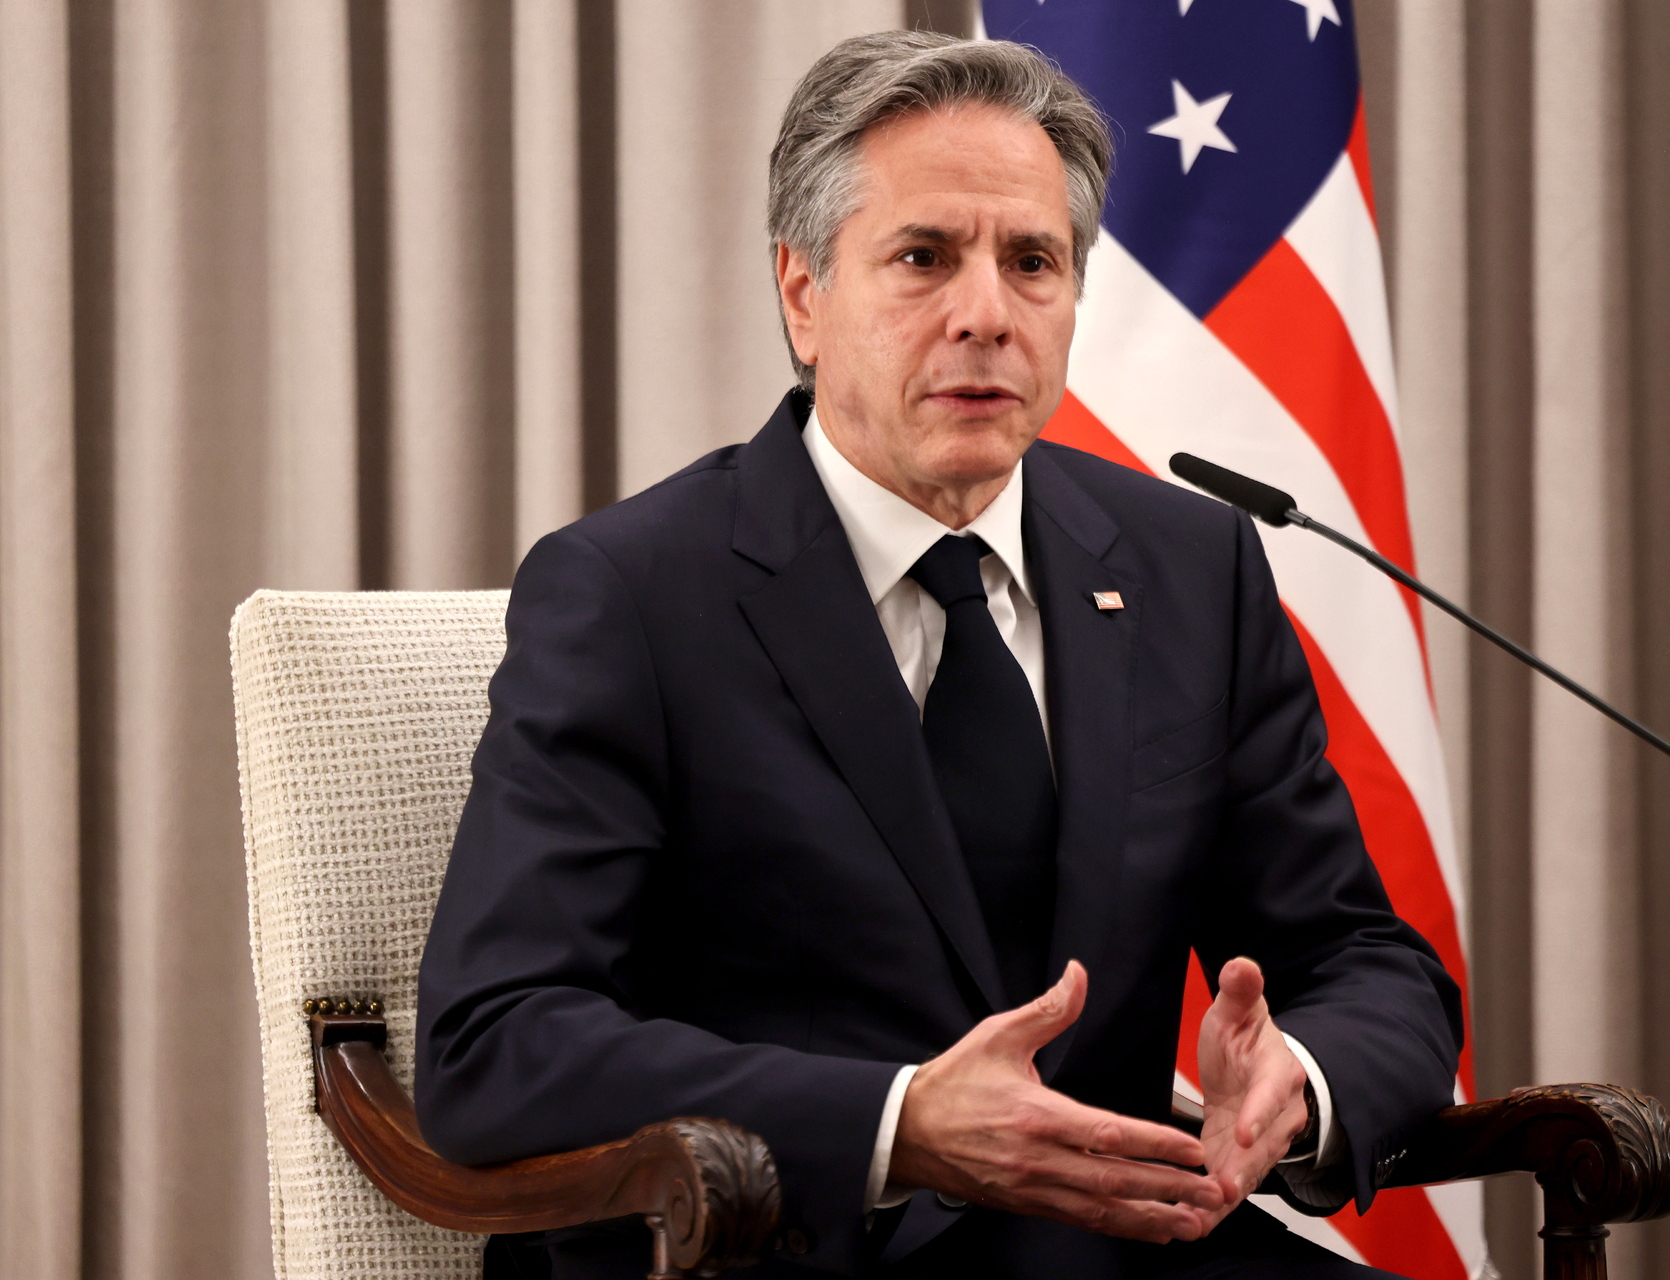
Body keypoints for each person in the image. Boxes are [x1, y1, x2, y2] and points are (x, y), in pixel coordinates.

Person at [415, 30, 1461, 1280]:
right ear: (803, 293)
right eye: (923, 257)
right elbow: (495, 1040)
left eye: (1033, 262)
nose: (987, 315)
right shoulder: (632, 592)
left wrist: (1302, 1076)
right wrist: (897, 1120)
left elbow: (1366, 960)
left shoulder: (1195, 568)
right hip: (777, 1246)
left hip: (1124, 1248)